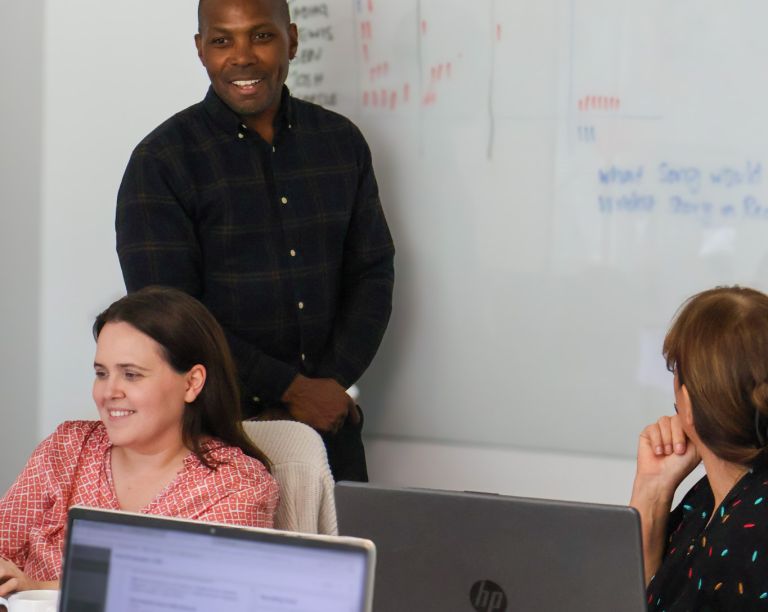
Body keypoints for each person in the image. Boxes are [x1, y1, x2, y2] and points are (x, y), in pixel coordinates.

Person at [115, 0, 395, 482]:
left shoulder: (340, 143)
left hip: (330, 431)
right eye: (222, 40)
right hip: (214, 437)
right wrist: (290, 389)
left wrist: (327, 385)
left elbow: (372, 271)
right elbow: (170, 316)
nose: (242, 56)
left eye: (261, 36)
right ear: (201, 50)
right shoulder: (161, 161)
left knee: (345, 556)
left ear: (292, 39)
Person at [0, 286, 279, 595]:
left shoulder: (238, 485)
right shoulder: (67, 446)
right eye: (102, 373)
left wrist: (36, 589)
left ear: (192, 382)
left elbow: (183, 595)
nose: (109, 392)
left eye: (131, 375)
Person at [630, 286, 768, 610]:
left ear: (688, 404)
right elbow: (639, 596)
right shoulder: (709, 497)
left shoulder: (753, 529)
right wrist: (653, 491)